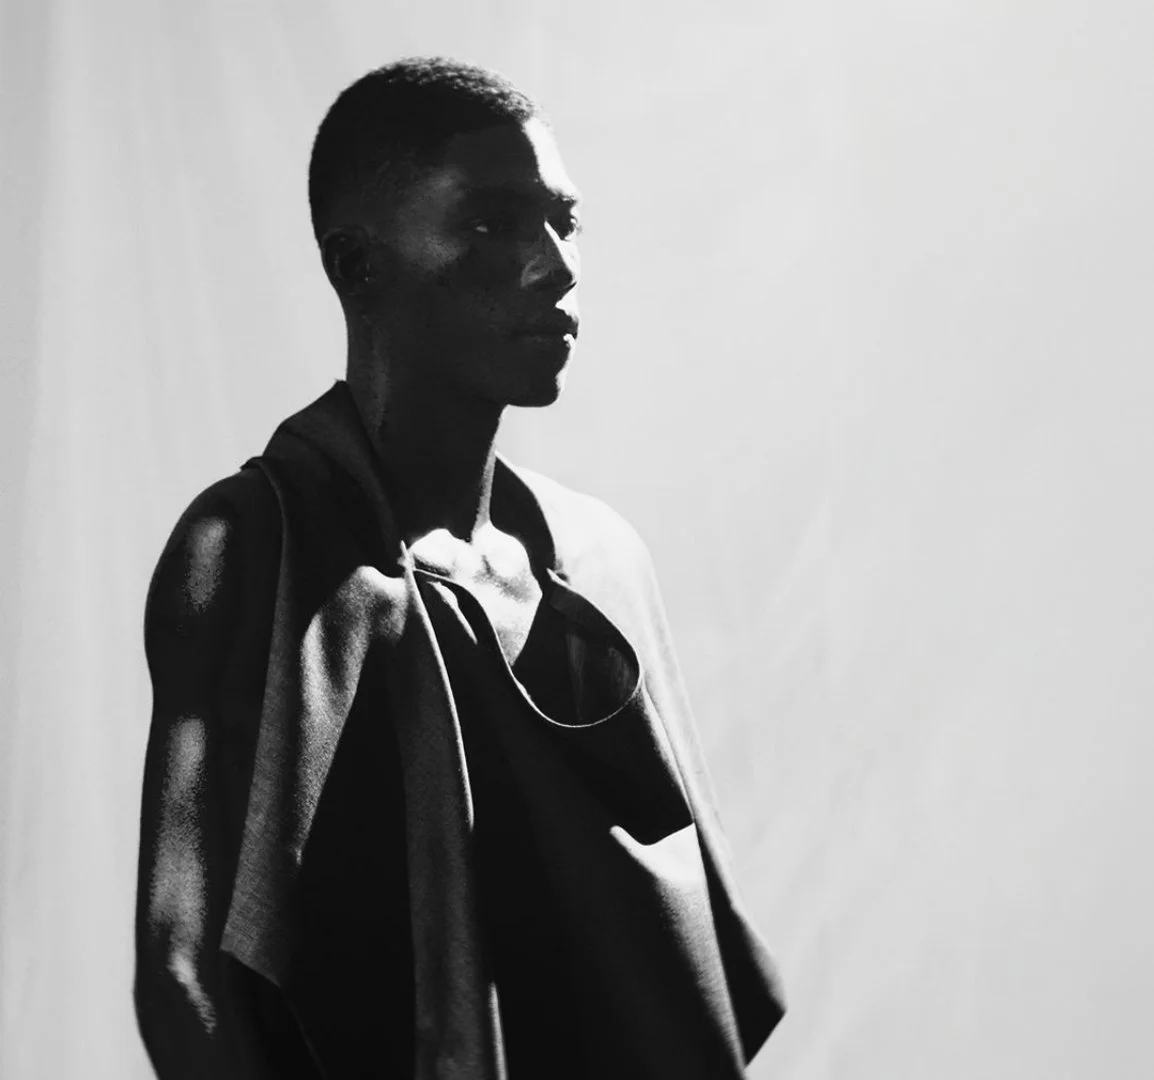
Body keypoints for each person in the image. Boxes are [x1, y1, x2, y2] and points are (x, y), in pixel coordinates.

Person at [134, 57, 784, 1079]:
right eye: (492, 223)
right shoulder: (253, 547)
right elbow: (184, 974)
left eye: (564, 219)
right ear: (358, 267)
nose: (555, 263)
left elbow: (683, 971)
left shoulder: (603, 567)